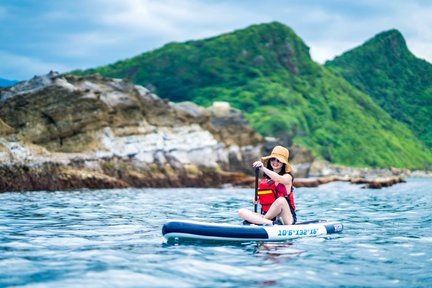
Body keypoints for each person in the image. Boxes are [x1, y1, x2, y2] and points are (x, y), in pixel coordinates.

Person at [238, 145, 297, 225]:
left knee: (281, 200)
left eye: (278, 160)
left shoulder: (287, 177)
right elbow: (265, 196)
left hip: (286, 218)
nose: (275, 162)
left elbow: (278, 179)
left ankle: (259, 221)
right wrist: (257, 198)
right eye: (273, 159)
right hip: (270, 217)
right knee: (241, 212)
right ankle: (271, 223)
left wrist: (263, 168)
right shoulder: (266, 179)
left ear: (283, 163)